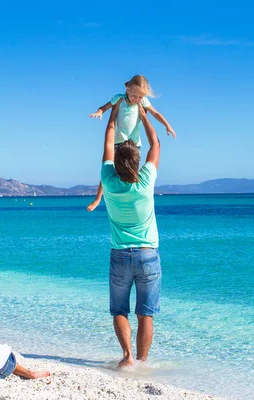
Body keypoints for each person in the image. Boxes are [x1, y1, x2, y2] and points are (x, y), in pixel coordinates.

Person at [100, 101, 162, 368]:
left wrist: (113, 116)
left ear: (116, 163)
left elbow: (107, 142)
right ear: (137, 162)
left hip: (120, 255)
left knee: (120, 310)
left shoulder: (109, 181)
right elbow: (155, 144)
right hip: (148, 255)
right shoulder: (146, 181)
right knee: (145, 314)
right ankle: (143, 361)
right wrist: (145, 115)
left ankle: (127, 357)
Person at [87, 75, 174, 212]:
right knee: (109, 170)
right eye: (135, 96)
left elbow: (155, 113)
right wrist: (99, 112)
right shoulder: (119, 98)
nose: (137, 99)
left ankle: (133, 198)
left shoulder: (143, 101)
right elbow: (104, 107)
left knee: (131, 171)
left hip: (135, 145)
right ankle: (98, 199)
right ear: (127, 89)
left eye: (140, 97)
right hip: (118, 142)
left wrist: (167, 125)